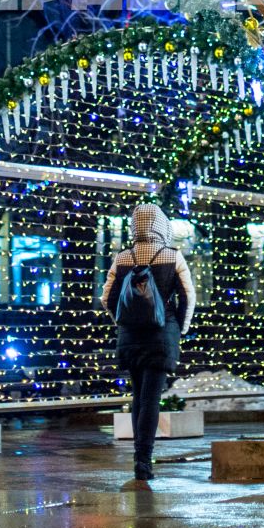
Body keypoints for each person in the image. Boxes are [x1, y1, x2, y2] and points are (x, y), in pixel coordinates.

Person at [100, 203, 196, 489]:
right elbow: (188, 298)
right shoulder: (172, 256)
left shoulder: (122, 258)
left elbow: (107, 298)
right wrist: (179, 327)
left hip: (130, 336)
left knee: (138, 396)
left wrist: (123, 320)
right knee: (152, 398)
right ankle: (144, 462)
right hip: (160, 334)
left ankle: (139, 459)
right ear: (162, 225)